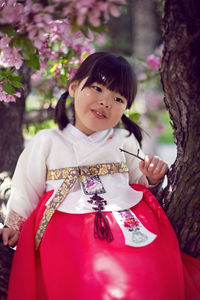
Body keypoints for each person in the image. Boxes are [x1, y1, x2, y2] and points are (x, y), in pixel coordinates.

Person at [0, 52, 200, 300]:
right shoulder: (47, 140)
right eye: (97, 88)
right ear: (73, 88)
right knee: (78, 272)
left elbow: (139, 183)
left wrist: (152, 177)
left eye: (118, 98)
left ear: (126, 108)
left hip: (123, 221)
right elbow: (26, 186)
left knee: (141, 267)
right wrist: (14, 224)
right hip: (66, 225)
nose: (106, 102)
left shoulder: (123, 141)